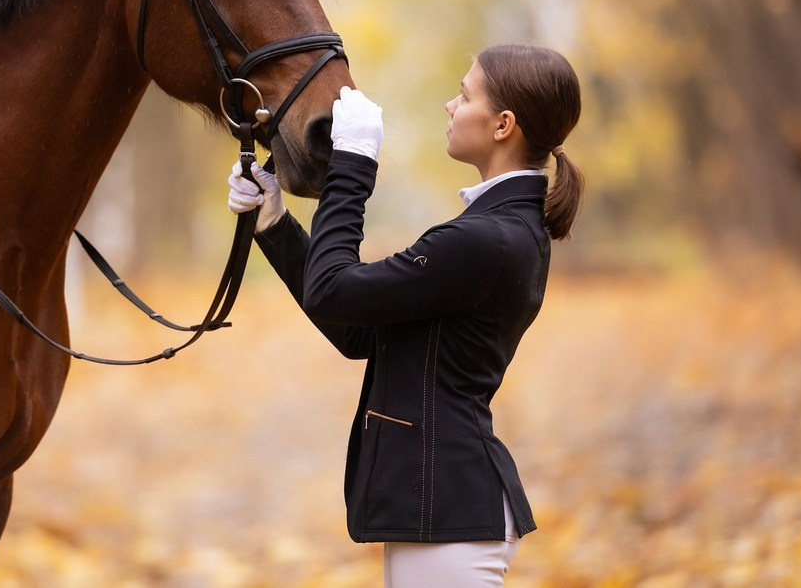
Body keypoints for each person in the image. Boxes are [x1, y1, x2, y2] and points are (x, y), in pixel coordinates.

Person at [228, 43, 584, 587]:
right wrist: (275, 223)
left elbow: (332, 289)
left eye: (464, 95)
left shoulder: (486, 238)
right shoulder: (498, 230)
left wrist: (351, 167)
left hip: (449, 509)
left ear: (502, 125)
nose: (450, 105)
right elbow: (356, 328)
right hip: (443, 507)